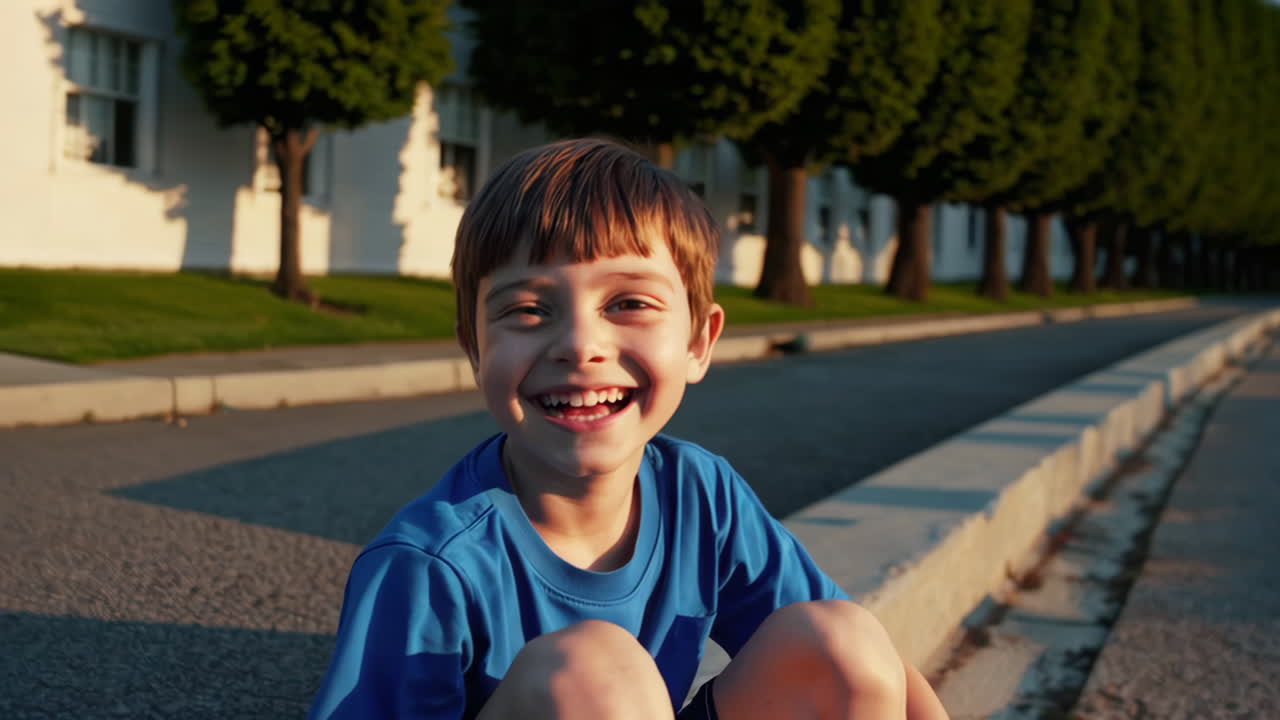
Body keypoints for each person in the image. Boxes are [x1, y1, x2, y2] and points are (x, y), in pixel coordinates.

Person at [307, 138, 949, 720]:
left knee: (844, 640)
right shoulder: (429, 563)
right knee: (595, 673)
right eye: (528, 310)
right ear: (474, 348)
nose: (581, 344)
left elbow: (871, 666)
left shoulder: (702, 494)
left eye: (629, 303)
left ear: (699, 341)